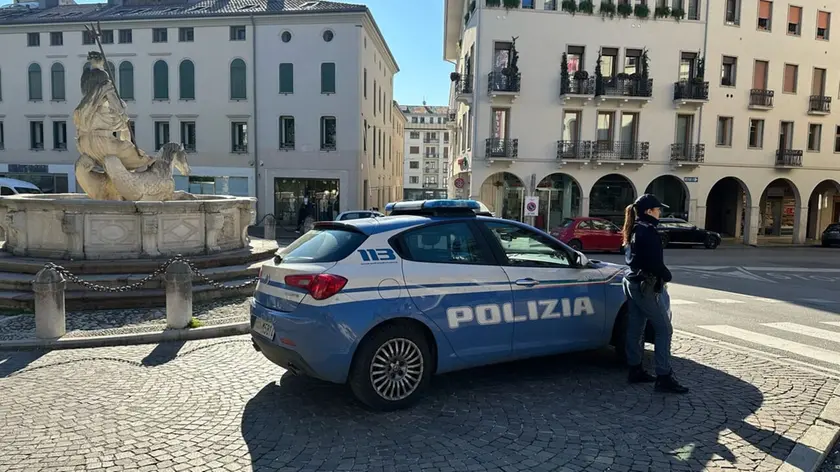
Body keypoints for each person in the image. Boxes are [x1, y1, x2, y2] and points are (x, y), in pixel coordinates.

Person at [621, 194, 689, 394]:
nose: (660, 213)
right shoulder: (647, 231)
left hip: (632, 281)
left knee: (636, 327)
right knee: (664, 329)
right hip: (645, 285)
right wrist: (666, 275)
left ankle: (634, 369)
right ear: (649, 211)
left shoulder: (633, 228)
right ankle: (664, 376)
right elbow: (653, 262)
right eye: (658, 209)